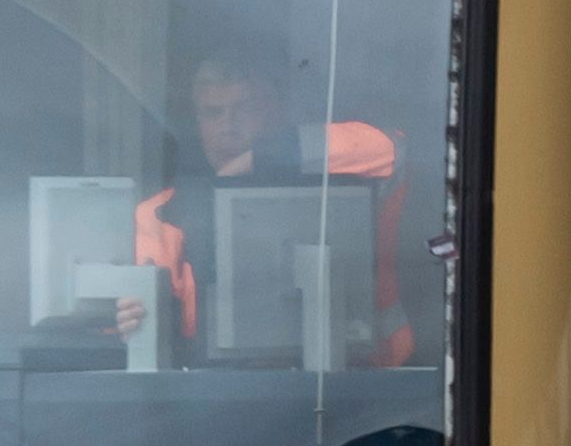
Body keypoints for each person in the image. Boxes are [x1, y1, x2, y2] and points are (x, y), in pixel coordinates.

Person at [129, 48, 410, 363]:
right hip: (229, 393)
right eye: (213, 113)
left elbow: (394, 151)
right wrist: (128, 316)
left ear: (276, 113)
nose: (228, 126)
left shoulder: (334, 177)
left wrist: (269, 156)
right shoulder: (162, 213)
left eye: (244, 109)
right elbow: (140, 311)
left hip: (367, 383)